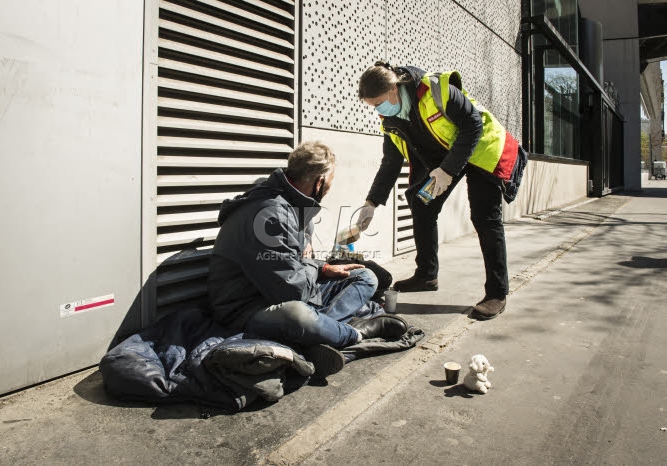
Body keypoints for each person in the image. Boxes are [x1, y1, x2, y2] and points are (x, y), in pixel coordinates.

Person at [208, 141, 408, 378]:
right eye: (331, 182)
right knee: (298, 315)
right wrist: (313, 268)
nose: (330, 188)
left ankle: (321, 334)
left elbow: (293, 268)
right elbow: (293, 291)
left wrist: (322, 267)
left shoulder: (294, 205)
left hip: (286, 287)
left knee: (365, 276)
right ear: (319, 181)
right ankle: (357, 333)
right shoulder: (271, 216)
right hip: (246, 307)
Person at [356, 62, 527, 320]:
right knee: (421, 204)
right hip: (447, 157)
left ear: (393, 88)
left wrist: (448, 170)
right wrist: (371, 202)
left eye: (379, 102)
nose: (378, 110)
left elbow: (472, 126)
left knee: (484, 217)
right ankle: (426, 275)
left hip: (482, 148)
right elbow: (390, 162)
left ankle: (497, 293)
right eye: (373, 106)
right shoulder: (391, 119)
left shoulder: (435, 89)